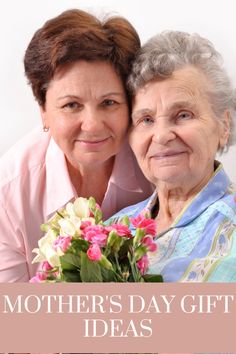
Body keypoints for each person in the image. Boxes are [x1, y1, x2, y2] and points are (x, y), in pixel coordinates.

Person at [0, 9, 153, 282]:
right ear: (43, 110)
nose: (92, 125)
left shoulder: (155, 163)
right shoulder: (9, 192)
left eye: (109, 102)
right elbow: (12, 318)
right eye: (72, 105)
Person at [110, 30, 236, 282]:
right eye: (146, 120)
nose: (161, 135)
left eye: (183, 115)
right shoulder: (111, 229)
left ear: (224, 126)